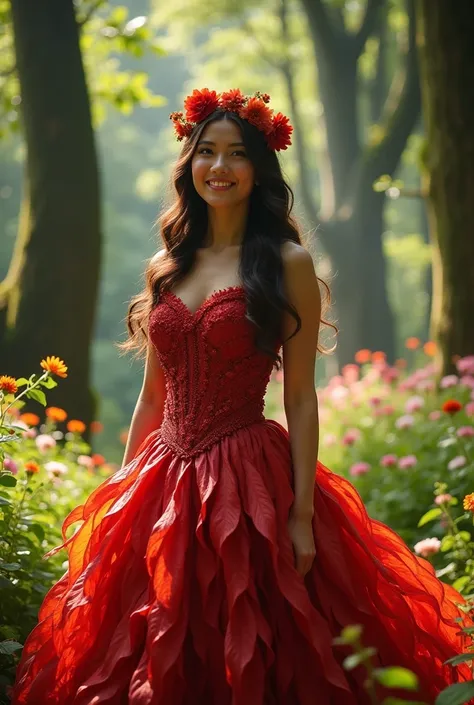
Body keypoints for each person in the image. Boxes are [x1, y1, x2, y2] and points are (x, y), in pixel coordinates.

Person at [11, 88, 472, 705]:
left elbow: (302, 399)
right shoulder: (166, 265)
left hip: (249, 480)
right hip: (161, 476)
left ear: (260, 170)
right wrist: (117, 503)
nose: (219, 168)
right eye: (206, 153)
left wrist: (302, 515)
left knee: (262, 640)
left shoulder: (288, 262)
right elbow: (152, 399)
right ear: (189, 164)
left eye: (236, 155)